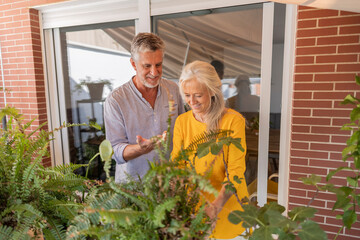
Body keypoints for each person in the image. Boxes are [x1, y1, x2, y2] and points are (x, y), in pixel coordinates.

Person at [172, 60, 249, 239]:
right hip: (192, 207)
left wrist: (215, 206)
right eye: (187, 95)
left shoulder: (232, 121)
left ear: (212, 91)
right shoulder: (182, 122)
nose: (192, 101)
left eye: (198, 95)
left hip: (228, 205)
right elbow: (177, 166)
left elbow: (235, 172)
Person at [104, 32, 184, 183]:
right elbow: (115, 150)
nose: (154, 73)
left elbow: (184, 130)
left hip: (170, 185)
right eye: (147, 66)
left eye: (158, 65)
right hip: (134, 190)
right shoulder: (116, 100)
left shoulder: (173, 90)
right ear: (133, 64)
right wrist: (141, 148)